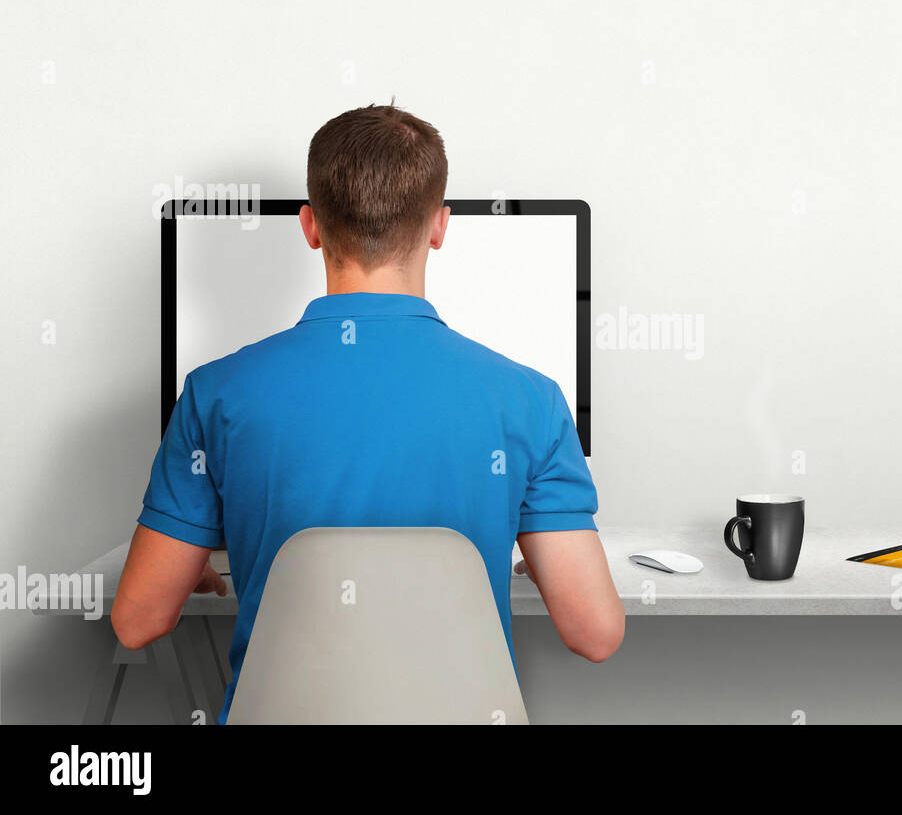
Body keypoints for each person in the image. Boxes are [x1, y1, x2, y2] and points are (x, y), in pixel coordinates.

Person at [111, 104, 624, 722]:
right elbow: (595, 634)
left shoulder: (214, 393)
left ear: (309, 226)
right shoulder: (531, 401)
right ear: (440, 226)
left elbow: (138, 621)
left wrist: (183, 558)